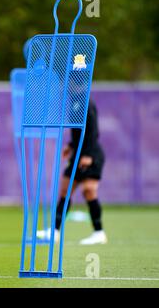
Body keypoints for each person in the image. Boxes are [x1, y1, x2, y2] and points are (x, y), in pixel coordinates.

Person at [37, 99, 107, 245]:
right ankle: (54, 231)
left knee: (89, 191)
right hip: (78, 153)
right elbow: (78, 131)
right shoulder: (75, 102)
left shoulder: (87, 102)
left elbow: (93, 131)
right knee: (65, 190)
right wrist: (70, 146)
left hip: (91, 154)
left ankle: (99, 232)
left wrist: (88, 154)